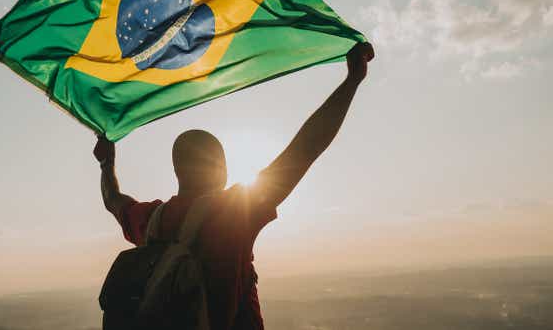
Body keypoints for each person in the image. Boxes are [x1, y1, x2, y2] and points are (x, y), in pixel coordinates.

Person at [94, 42, 375, 330]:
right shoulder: (233, 212)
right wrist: (352, 81)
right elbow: (305, 149)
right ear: (221, 169)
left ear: (178, 172)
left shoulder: (151, 221)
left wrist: (106, 163)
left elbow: (112, 199)